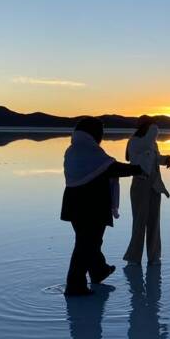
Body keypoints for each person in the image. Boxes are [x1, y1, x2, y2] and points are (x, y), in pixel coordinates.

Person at [60, 116, 142, 296]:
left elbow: (104, 168)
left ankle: (98, 270)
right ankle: (75, 285)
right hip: (89, 205)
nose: (102, 136)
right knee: (86, 244)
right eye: (100, 132)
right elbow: (112, 168)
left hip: (75, 204)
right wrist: (139, 169)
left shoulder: (73, 149)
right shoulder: (88, 150)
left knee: (88, 241)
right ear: (92, 132)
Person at [123, 116, 170, 265]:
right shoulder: (135, 141)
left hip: (154, 185)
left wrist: (165, 159)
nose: (156, 130)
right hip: (140, 184)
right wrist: (152, 131)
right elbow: (137, 161)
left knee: (154, 222)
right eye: (153, 127)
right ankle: (133, 258)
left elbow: (154, 158)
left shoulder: (151, 142)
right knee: (139, 222)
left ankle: (154, 256)